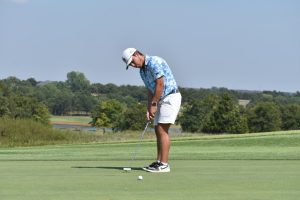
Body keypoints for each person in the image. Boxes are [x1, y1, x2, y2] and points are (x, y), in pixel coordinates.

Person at [122, 48, 181, 173]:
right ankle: (159, 162)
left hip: (170, 96)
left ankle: (164, 164)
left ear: (137, 54)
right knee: (157, 130)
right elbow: (150, 89)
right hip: (159, 99)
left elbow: (160, 84)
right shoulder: (142, 72)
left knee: (162, 129)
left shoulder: (155, 61)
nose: (133, 65)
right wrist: (149, 107)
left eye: (132, 62)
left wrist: (154, 104)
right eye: (130, 65)